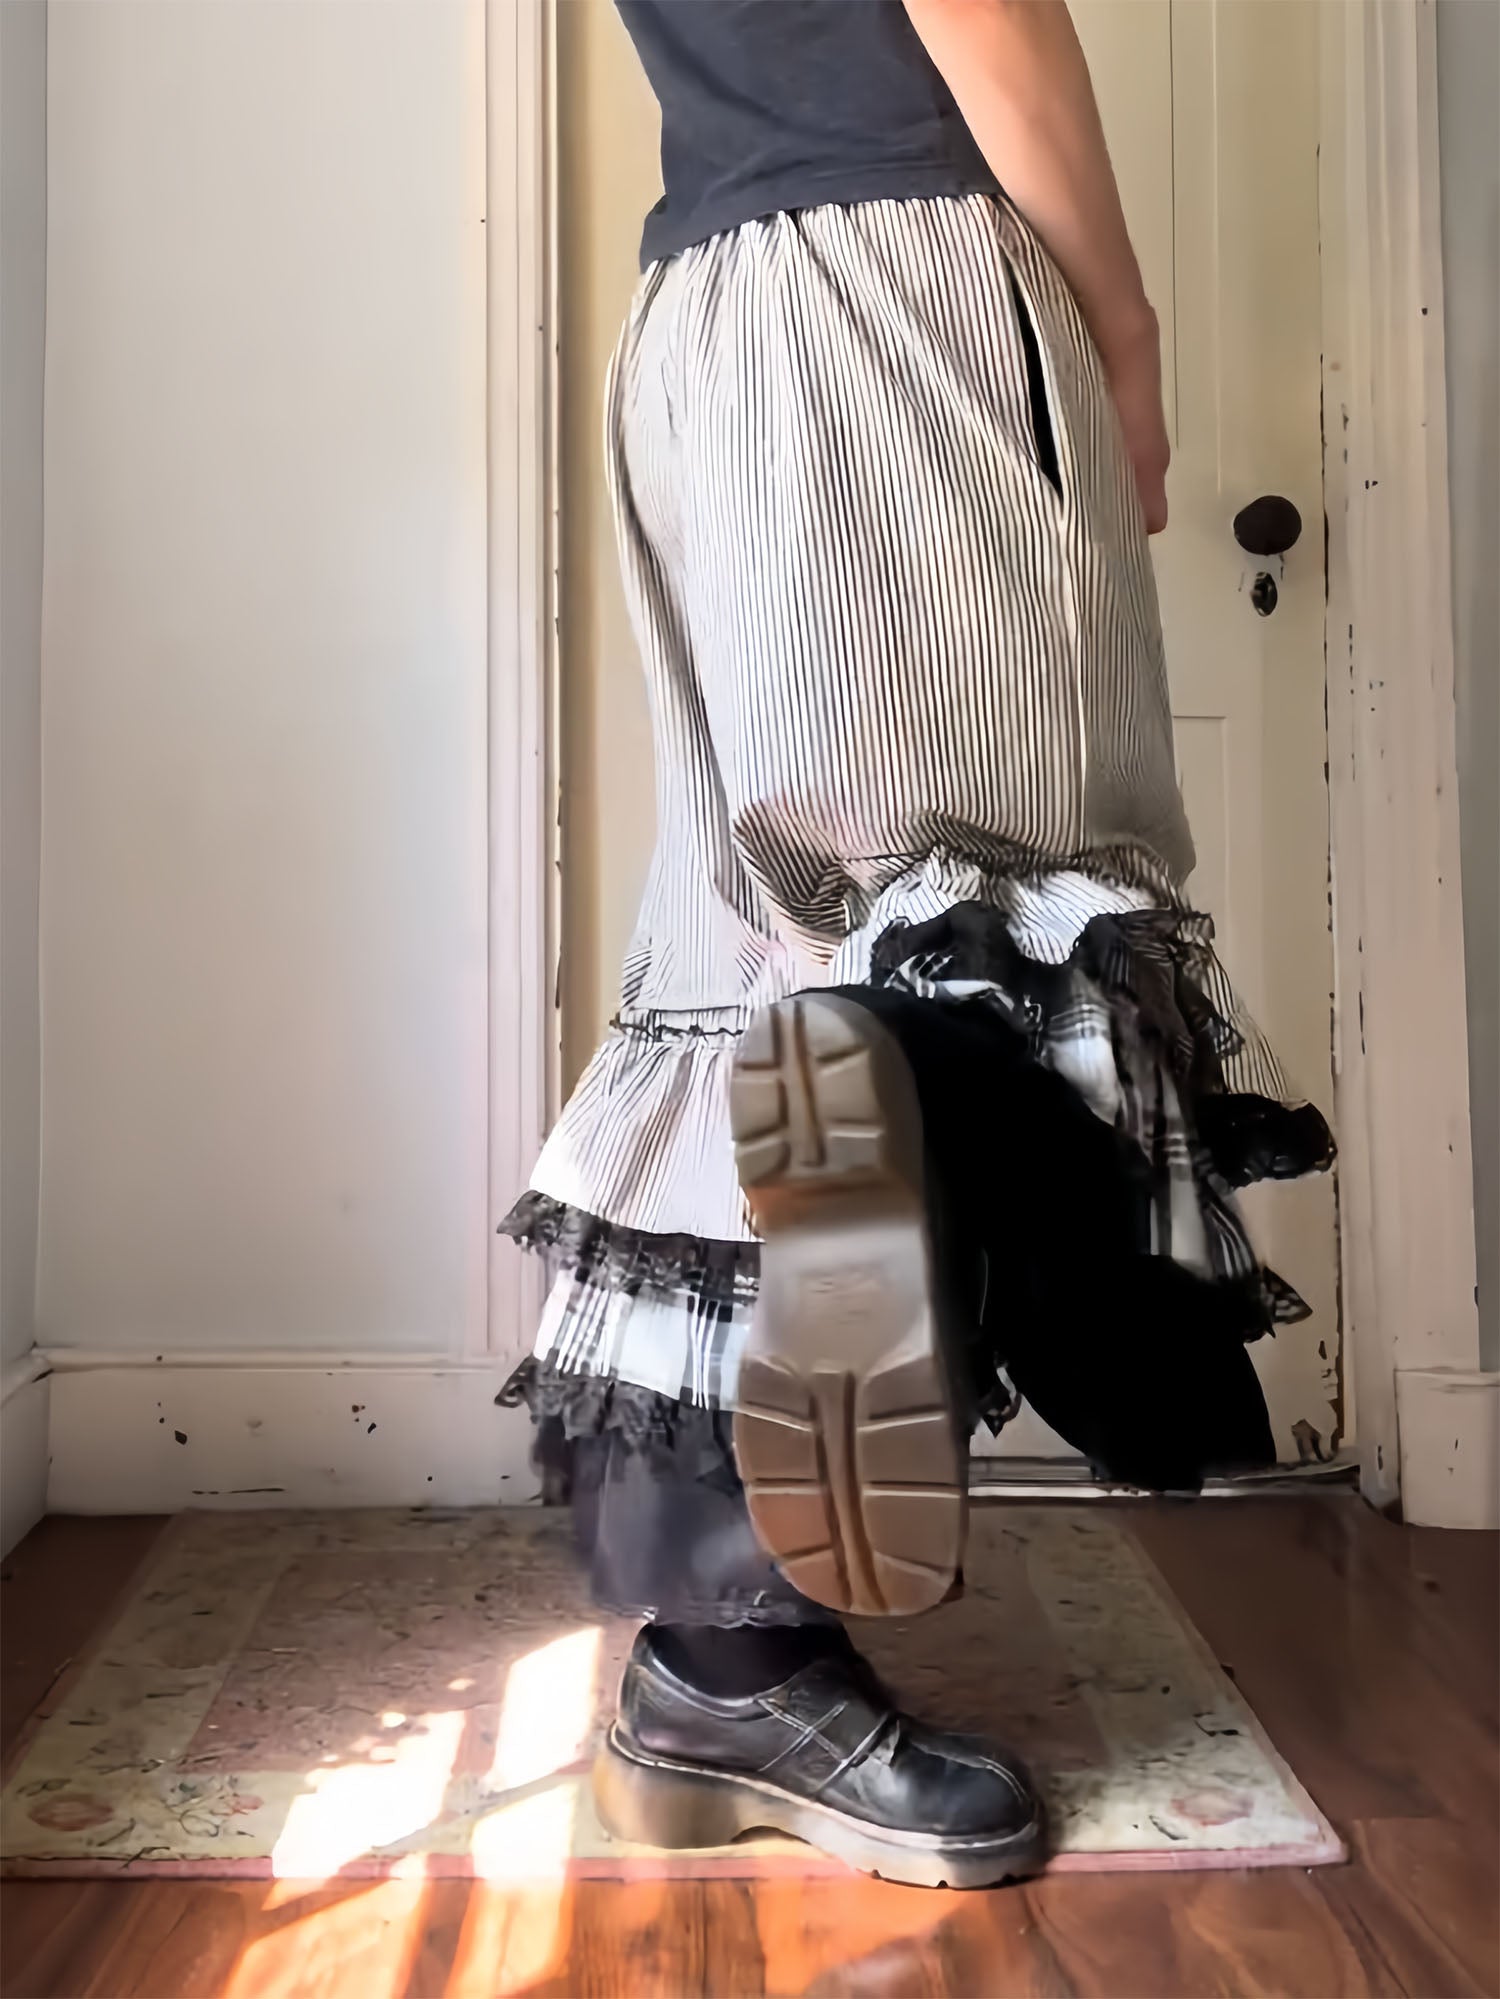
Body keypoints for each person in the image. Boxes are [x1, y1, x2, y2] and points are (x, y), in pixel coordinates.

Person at [500, 0, 1332, 1888]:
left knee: (794, 944)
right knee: (935, 936)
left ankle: (727, 1651)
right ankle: (738, 1653)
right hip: (901, 302)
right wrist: (1123, 341)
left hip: (719, 315)